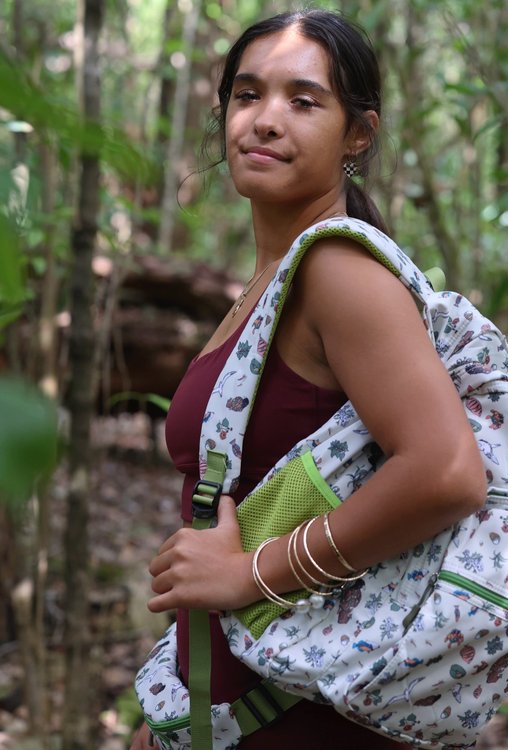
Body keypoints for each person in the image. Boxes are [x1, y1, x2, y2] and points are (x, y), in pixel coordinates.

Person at [130, 8, 486, 749]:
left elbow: (448, 472)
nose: (263, 120)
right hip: (239, 706)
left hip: (311, 718)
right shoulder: (271, 282)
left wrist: (247, 575)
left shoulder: (339, 273)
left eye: (303, 100)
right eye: (247, 94)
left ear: (358, 135)